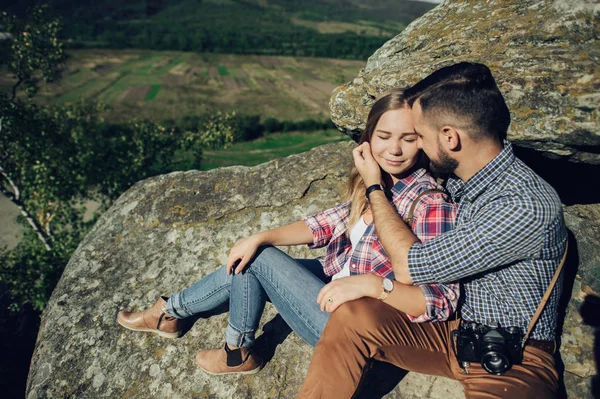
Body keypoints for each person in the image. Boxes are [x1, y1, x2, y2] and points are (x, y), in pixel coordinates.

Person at [117, 89, 457, 376]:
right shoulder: (376, 179)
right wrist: (260, 236)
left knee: (260, 261)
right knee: (252, 254)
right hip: (337, 283)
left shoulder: (429, 202)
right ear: (368, 139)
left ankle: (230, 349)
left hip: (359, 330)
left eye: (408, 138)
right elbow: (326, 223)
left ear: (424, 142)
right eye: (383, 137)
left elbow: (439, 299)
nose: (394, 149)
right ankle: (172, 313)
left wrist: (374, 284)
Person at [297, 62, 568, 399]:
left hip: (513, 358)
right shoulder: (462, 182)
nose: (418, 149)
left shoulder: (522, 206)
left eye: (420, 137)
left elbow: (410, 265)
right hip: (450, 333)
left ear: (450, 137)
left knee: (365, 294)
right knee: (352, 315)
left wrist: (374, 188)